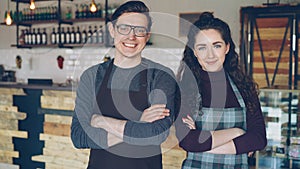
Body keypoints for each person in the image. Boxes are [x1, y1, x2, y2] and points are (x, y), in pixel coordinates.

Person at [70, 1, 177, 169]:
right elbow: (78, 137)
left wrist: (100, 121)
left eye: (139, 30)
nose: (131, 37)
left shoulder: (161, 76)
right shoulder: (92, 76)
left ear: (147, 36)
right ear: (112, 30)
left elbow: (157, 134)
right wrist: (139, 122)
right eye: (124, 28)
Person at [175, 12, 267, 168]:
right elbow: (188, 141)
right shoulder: (184, 90)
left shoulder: (244, 88)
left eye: (216, 45)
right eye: (202, 47)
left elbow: (259, 139)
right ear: (195, 52)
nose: (210, 55)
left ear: (227, 48)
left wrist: (203, 145)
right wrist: (237, 133)